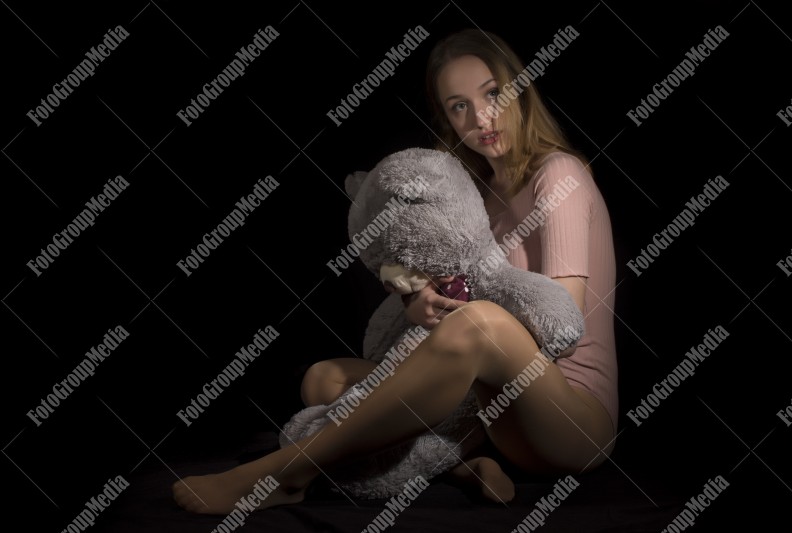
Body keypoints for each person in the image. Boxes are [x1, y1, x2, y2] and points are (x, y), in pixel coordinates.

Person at [172, 28, 618, 513]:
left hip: (570, 420)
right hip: (493, 415)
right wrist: (419, 298)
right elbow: (463, 282)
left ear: (521, 89)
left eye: (493, 93)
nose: (482, 117)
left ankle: (287, 473)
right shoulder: (479, 197)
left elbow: (563, 326)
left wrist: (465, 313)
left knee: (477, 326)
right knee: (324, 379)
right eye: (459, 105)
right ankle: (458, 465)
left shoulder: (560, 175)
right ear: (447, 118)